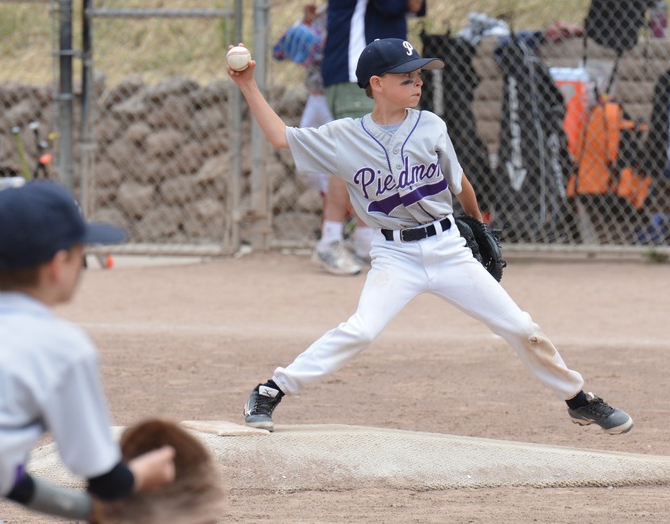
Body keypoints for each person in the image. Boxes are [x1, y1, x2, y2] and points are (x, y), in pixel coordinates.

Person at [228, 38, 634, 437]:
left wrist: (480, 225)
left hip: (447, 248)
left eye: (419, 76)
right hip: (393, 254)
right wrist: (248, 84)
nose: (417, 83)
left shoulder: (431, 126)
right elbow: (281, 136)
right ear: (376, 84)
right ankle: (270, 390)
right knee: (362, 330)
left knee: (521, 327)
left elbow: (460, 184)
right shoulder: (343, 137)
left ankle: (579, 399)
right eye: (406, 78)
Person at [0, 180, 175, 523]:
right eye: (81, 254)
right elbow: (107, 481)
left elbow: (10, 481)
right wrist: (143, 474)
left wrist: (83, 510)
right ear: (58, 264)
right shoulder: (62, 344)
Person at [315, 0, 427, 274]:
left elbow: (418, 4)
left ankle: (366, 244)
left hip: (381, 77)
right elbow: (391, 2)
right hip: (356, 77)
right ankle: (330, 241)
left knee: (376, 158)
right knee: (350, 156)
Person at [273, 0, 360, 275]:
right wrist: (304, 23)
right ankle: (338, 214)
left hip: (334, 95)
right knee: (310, 167)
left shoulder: (348, 11)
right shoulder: (322, 13)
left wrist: (312, 31)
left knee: (338, 162)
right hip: (317, 97)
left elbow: (329, 49)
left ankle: (335, 229)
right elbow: (281, 51)